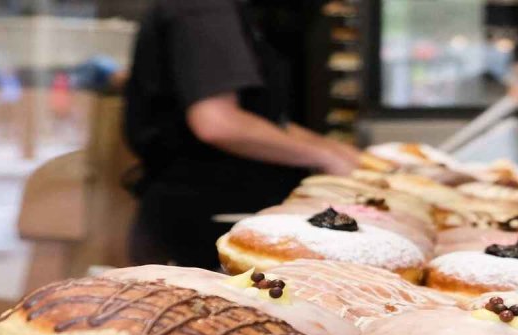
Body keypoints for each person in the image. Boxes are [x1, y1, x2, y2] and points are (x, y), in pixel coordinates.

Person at [124, 0, 360, 269]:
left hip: (215, 214)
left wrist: (338, 153)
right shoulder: (204, 9)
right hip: (202, 224)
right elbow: (217, 123)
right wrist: (325, 156)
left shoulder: (233, 11)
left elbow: (267, 121)